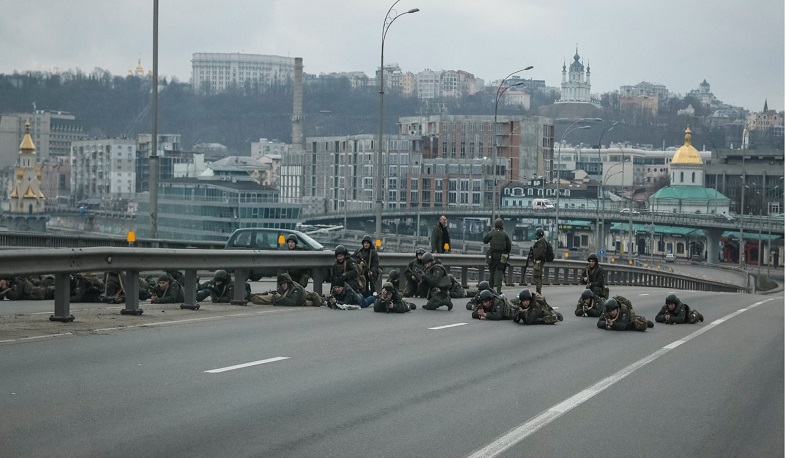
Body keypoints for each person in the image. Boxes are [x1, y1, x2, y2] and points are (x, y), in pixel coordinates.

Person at [483, 218, 512, 294]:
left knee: (491, 273)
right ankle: (499, 290)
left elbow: (485, 240)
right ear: (502, 225)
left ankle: (490, 289)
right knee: (499, 272)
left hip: (492, 255)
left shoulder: (492, 233)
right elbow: (509, 246)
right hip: (501, 256)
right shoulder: (504, 234)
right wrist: (507, 252)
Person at [530, 227, 548, 295]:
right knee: (538, 276)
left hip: (538, 262)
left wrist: (534, 256)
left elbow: (539, 253)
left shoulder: (541, 242)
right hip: (539, 261)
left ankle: (538, 292)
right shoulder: (541, 242)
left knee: (536, 276)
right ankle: (538, 291)